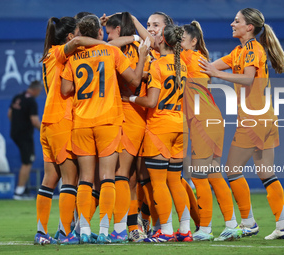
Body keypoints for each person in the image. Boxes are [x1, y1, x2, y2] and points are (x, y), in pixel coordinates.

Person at [199, 7, 284, 240]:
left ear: (249, 27)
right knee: (266, 174)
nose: (232, 23)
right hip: (266, 118)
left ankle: (249, 223)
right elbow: (209, 67)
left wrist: (217, 74)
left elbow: (248, 78)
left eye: (236, 21)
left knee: (231, 169)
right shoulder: (239, 51)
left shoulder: (252, 48)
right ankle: (282, 226)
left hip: (254, 119)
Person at [61, 14, 149, 244]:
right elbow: (134, 81)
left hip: (81, 122)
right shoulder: (112, 52)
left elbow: (65, 89)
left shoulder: (73, 58)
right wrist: (141, 58)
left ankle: (83, 231)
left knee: (86, 179)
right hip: (108, 121)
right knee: (109, 176)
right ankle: (104, 230)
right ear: (99, 33)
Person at [36, 16, 108, 245]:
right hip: (62, 121)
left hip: (48, 123)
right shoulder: (59, 52)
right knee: (71, 179)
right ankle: (67, 233)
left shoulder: (50, 54)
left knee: (50, 179)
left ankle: (42, 232)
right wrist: (105, 44)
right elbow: (77, 44)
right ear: (70, 36)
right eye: (78, 32)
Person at [123, 24, 190, 242]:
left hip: (160, 127)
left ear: (162, 41)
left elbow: (151, 101)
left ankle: (166, 231)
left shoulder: (158, 66)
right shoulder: (183, 66)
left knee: (159, 183)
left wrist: (130, 99)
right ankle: (185, 230)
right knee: (175, 181)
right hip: (180, 125)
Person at [181, 21, 242, 241]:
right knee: (214, 173)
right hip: (212, 119)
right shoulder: (197, 57)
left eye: (180, 39)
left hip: (203, 121)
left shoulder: (188, 57)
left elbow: (161, 48)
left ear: (193, 41)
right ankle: (231, 225)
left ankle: (205, 228)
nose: (176, 43)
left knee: (198, 177)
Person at [103, 11, 150, 243]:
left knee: (120, 174)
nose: (106, 36)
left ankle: (125, 228)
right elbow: (149, 40)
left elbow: (134, 80)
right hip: (141, 116)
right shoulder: (144, 47)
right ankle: (137, 225)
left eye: (109, 31)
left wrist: (128, 30)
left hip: (126, 113)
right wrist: (134, 30)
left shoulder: (115, 48)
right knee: (133, 177)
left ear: (118, 31)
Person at [8, 80, 42, 200]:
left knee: (27, 159)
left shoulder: (18, 96)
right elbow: (35, 121)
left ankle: (21, 189)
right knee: (27, 162)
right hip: (25, 135)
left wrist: (17, 124)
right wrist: (45, 131)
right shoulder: (31, 101)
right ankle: (19, 192)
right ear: (36, 89)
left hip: (15, 133)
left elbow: (10, 113)